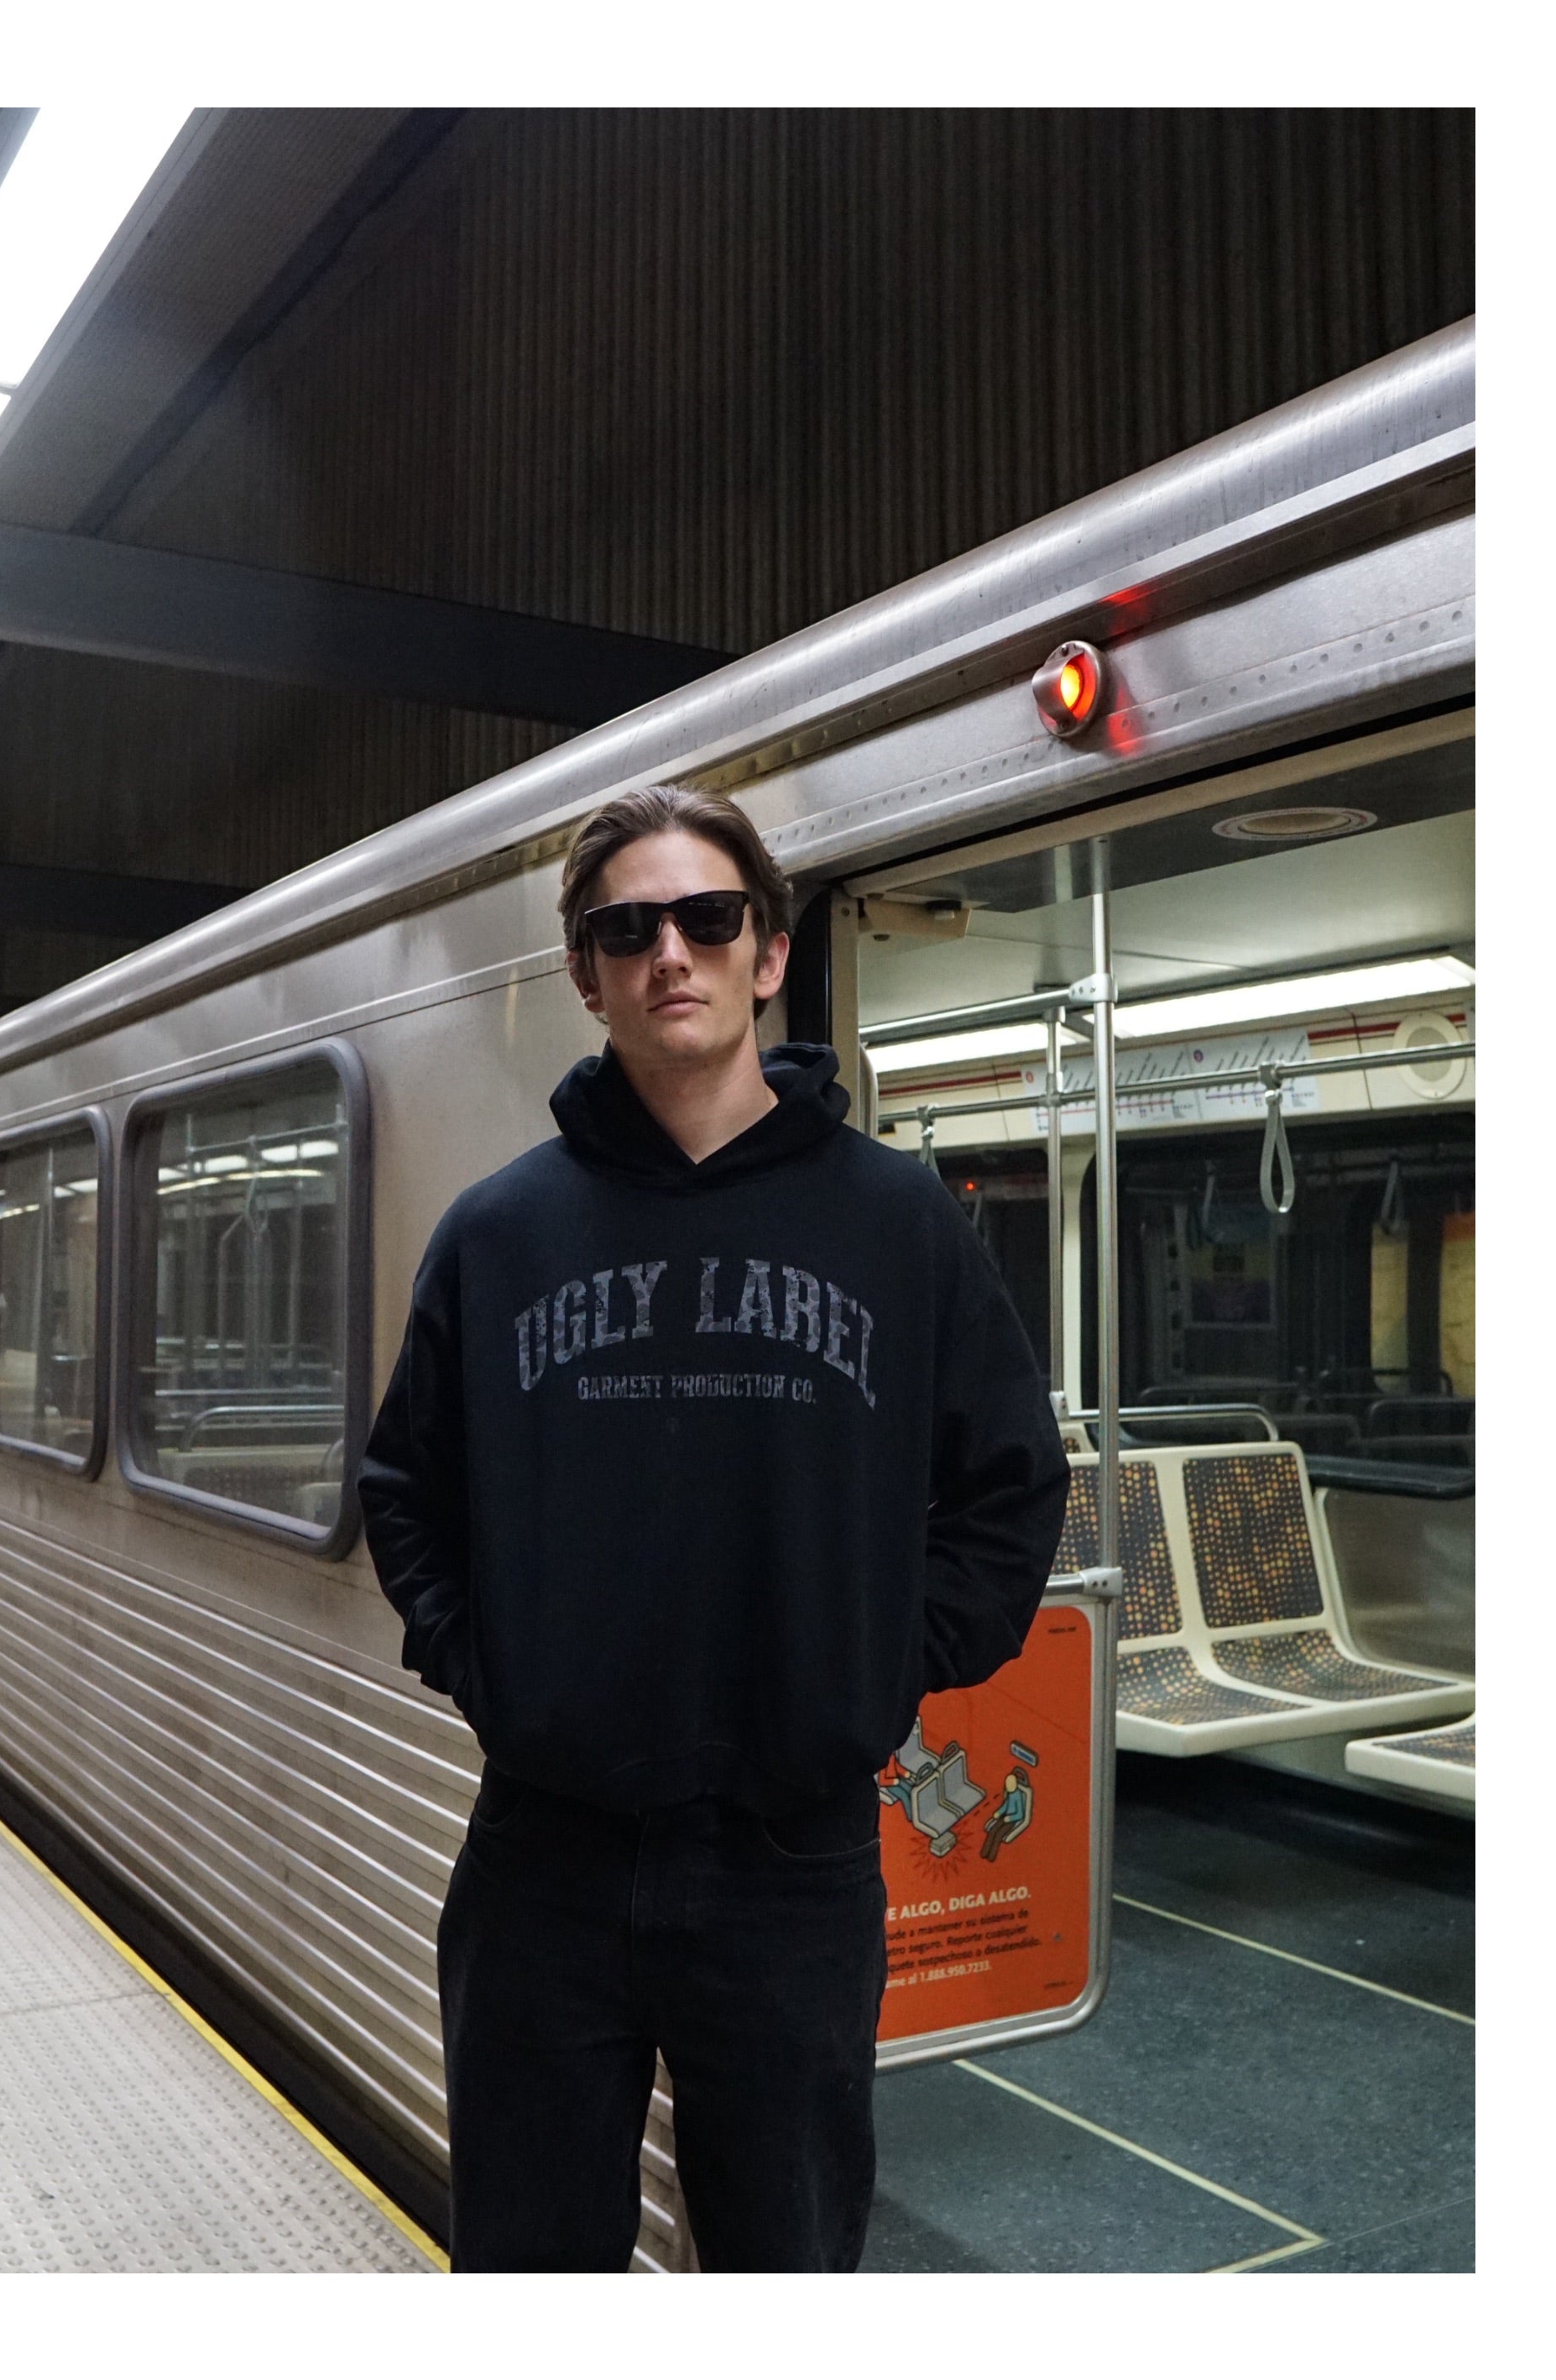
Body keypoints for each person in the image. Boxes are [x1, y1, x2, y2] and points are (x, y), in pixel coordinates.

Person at [358, 784, 1069, 2273]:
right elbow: (406, 1490)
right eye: (626, 928)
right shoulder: (498, 1233)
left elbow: (1011, 1488)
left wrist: (880, 1669)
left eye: (706, 917)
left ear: (769, 954)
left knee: (784, 2262)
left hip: (792, 1864)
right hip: (546, 1856)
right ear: (586, 973)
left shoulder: (898, 1224)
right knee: (527, 2267)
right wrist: (493, 1675)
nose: (668, 951)